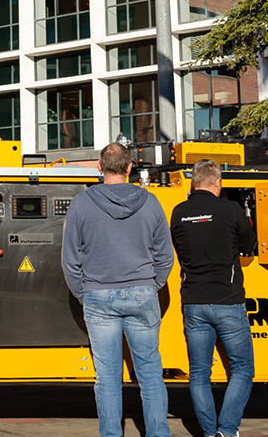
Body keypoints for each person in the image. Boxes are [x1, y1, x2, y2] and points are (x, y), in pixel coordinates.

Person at [63, 142, 174, 437]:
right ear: (129, 168)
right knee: (150, 373)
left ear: (99, 168)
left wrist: (84, 293)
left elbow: (70, 259)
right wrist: (153, 284)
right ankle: (159, 433)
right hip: (142, 292)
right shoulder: (151, 202)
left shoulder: (82, 203)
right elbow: (165, 255)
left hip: (98, 295)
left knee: (108, 377)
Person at [171, 160, 255, 437]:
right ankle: (227, 431)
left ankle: (209, 432)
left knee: (199, 374)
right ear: (217, 183)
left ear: (194, 182)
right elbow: (248, 246)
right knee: (242, 368)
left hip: (193, 302)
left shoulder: (179, 212)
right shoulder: (230, 210)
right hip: (227, 300)